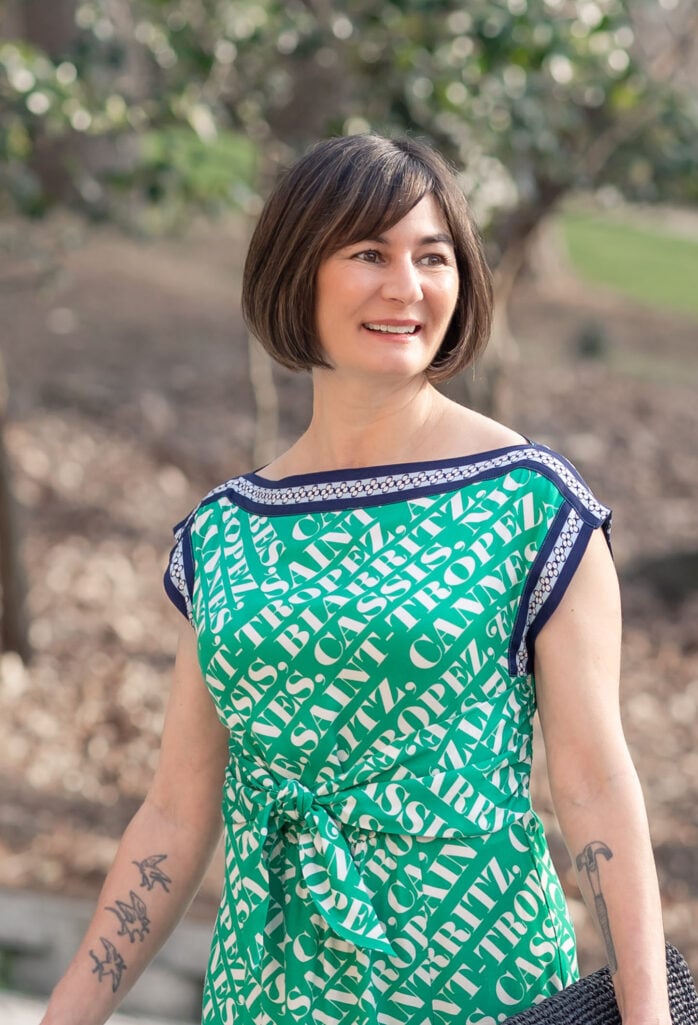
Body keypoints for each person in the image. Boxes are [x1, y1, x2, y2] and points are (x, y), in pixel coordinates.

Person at [40, 134, 670, 1025]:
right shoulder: (226, 532)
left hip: (479, 986)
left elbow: (597, 786)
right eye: (369, 253)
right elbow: (177, 815)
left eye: (433, 257)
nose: (406, 287)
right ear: (298, 270)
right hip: (268, 991)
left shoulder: (530, 501)